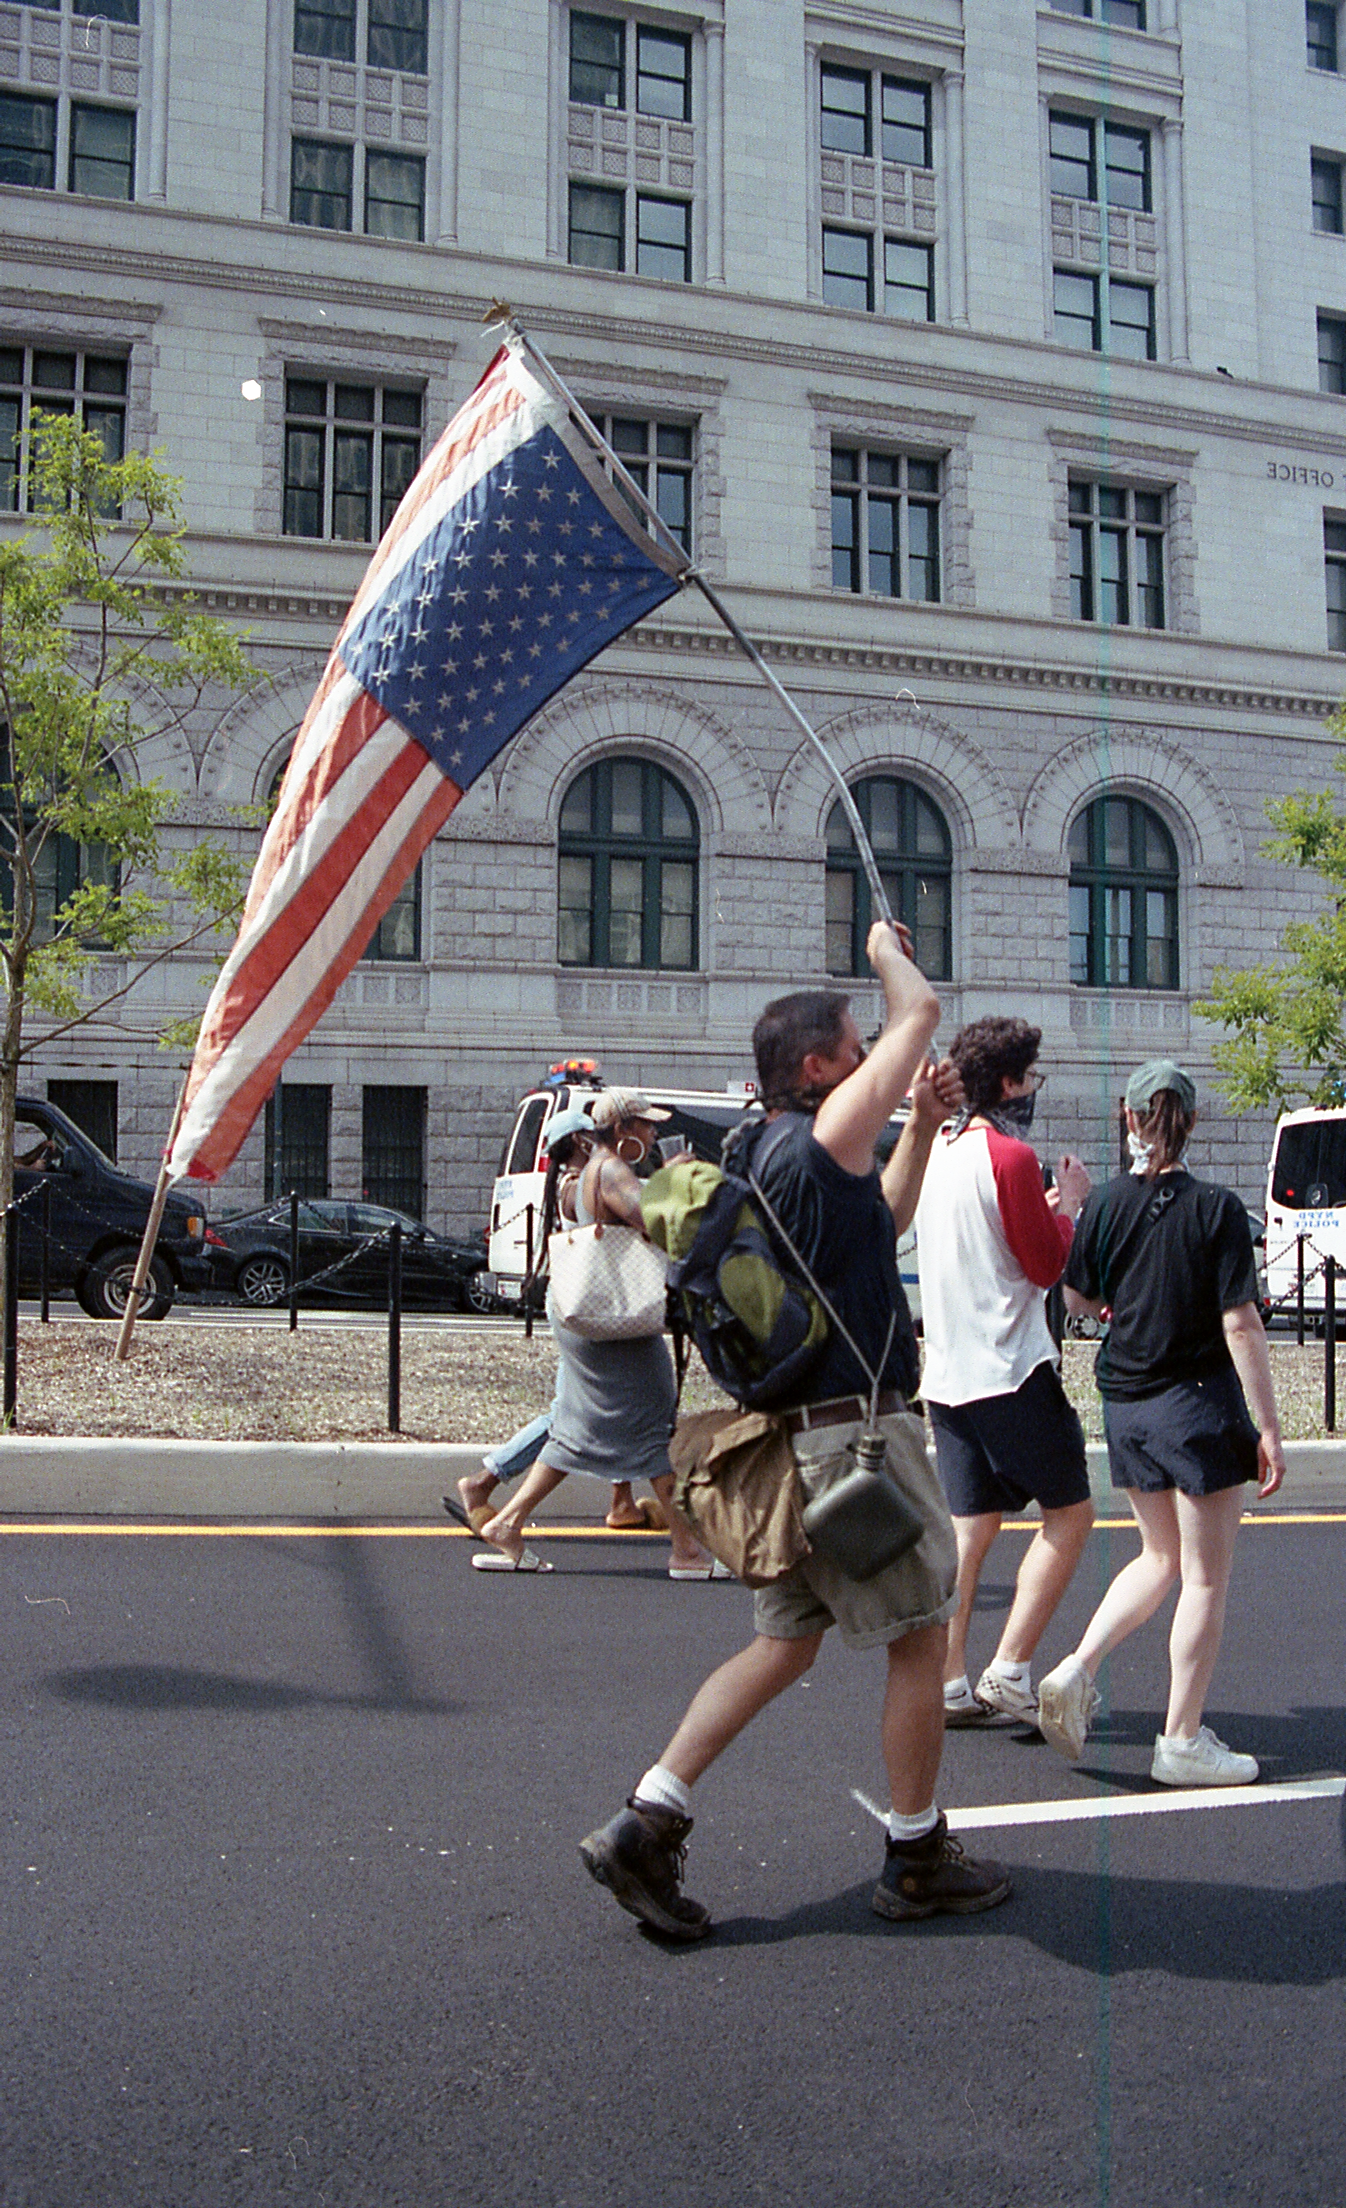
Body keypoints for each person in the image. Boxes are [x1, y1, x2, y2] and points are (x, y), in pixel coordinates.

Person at [578, 922, 1012, 1940]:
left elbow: (885, 1224)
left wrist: (914, 1122)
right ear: (816, 1068)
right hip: (852, 1448)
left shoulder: (773, 1155)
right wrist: (882, 949)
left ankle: (647, 1819)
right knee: (917, 1642)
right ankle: (914, 1857)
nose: (872, 1059)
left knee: (783, 1646)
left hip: (789, 1449)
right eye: (856, 1054)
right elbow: (922, 1013)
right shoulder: (812, 1139)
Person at [1037, 1059, 1286, 1785]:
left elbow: (1078, 1298)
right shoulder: (1215, 1209)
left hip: (1130, 1403)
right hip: (1199, 1405)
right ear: (1193, 1121)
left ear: (1130, 1117)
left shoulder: (1108, 1203)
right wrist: (1268, 1428)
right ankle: (1179, 1740)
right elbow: (1240, 1322)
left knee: (1158, 1557)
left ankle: (1077, 1668)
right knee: (1205, 1579)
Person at [913, 1016, 1094, 1730]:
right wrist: (1071, 1207)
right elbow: (1046, 1267)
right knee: (1070, 1516)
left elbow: (989, 1238)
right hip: (1011, 1369)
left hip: (948, 1373)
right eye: (1030, 1077)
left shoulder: (939, 1151)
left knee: (972, 1527)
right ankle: (1011, 1667)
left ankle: (950, 1680)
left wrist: (1043, 1214)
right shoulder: (1013, 1157)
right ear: (1011, 1082)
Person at [470, 1089, 719, 1578]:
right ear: (623, 1128)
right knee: (653, 1425)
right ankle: (687, 1552)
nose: (653, 1133)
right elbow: (656, 1224)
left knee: (577, 1431)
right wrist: (676, 1180)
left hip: (590, 1320)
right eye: (646, 1125)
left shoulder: (588, 1172)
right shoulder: (610, 1170)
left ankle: (507, 1522)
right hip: (619, 1325)